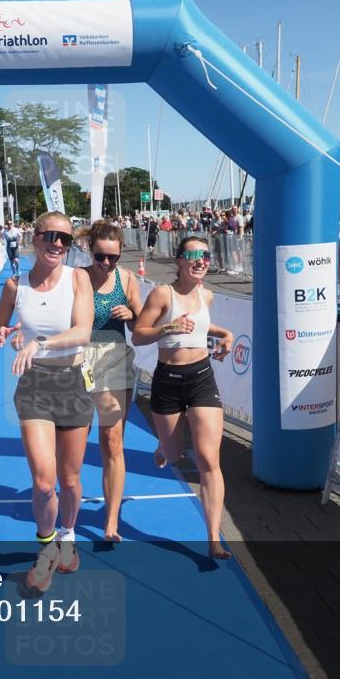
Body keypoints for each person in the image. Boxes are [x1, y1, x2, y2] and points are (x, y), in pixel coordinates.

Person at [0, 211, 93, 592]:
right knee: (45, 483)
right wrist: (2, 334)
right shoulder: (14, 286)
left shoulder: (78, 279)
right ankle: (47, 547)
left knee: (70, 480)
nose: (58, 244)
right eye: (51, 236)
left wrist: (39, 343)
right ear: (35, 238)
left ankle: (68, 534)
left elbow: (82, 332)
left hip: (73, 384)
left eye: (65, 239)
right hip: (34, 387)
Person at [132, 235, 234, 561]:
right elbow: (138, 334)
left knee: (208, 459)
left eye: (205, 255)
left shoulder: (207, 294)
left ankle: (213, 538)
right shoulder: (163, 294)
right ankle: (165, 445)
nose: (200, 260)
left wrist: (226, 334)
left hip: (201, 378)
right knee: (175, 455)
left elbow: (200, 327)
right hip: (168, 381)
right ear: (179, 260)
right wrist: (167, 328)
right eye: (193, 255)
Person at [81, 222, 143, 542]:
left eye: (113, 257)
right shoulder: (77, 278)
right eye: (100, 256)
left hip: (114, 359)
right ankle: (65, 510)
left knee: (112, 440)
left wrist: (132, 314)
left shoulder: (127, 279)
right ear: (89, 250)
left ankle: (111, 521)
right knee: (76, 440)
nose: (106, 263)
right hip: (79, 361)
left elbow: (142, 325)